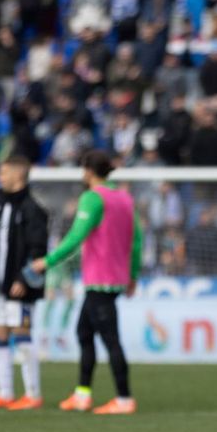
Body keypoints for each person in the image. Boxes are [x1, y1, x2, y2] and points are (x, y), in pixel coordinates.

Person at [29, 149, 142, 415]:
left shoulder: (92, 198)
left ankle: (124, 399)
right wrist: (133, 275)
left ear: (89, 172)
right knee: (84, 332)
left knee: (111, 339)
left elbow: (75, 237)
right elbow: (137, 241)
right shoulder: (124, 198)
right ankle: (82, 395)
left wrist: (48, 261)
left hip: (99, 279)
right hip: (115, 278)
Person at [0, 155, 50, 411]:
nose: (1, 177)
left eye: (5, 173)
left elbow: (38, 249)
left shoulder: (32, 210)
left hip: (21, 286)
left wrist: (23, 279)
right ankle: (5, 392)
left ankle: (33, 393)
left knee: (22, 333)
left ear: (18, 176)